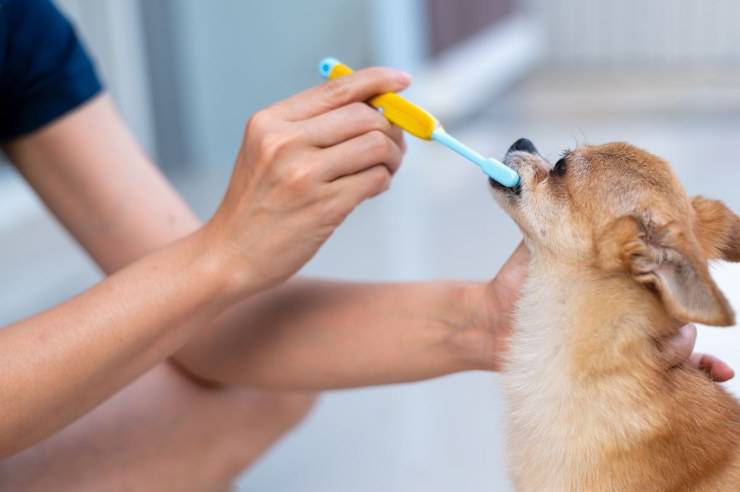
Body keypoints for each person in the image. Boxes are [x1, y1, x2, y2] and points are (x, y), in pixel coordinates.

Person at [0, 1, 733, 490]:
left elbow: (208, 335)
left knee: (266, 385)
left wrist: (487, 318)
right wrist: (225, 251)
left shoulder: (24, 33)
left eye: (564, 170)